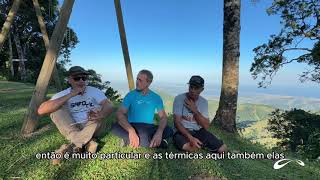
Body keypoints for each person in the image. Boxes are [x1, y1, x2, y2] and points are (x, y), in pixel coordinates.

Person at [37, 66, 113, 163]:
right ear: (69, 80)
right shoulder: (63, 94)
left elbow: (109, 105)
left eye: (84, 78)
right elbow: (41, 110)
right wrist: (72, 94)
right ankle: (88, 142)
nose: (81, 81)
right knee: (55, 110)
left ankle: (69, 148)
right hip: (71, 127)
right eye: (77, 78)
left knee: (99, 109)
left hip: (92, 125)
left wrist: (101, 115)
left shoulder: (94, 91)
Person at [111, 69, 173, 148]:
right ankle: (153, 142)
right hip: (132, 126)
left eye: (140, 80)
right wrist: (131, 131)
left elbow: (163, 117)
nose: (137, 82)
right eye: (137, 79)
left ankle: (129, 140)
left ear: (148, 82)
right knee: (114, 126)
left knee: (168, 130)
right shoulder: (130, 95)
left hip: (148, 128)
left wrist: (159, 132)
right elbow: (120, 113)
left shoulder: (156, 97)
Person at [173, 75, 227, 153]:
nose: (192, 90)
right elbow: (177, 123)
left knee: (223, 149)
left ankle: (205, 142)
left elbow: (206, 125)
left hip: (199, 131)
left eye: (196, 88)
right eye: (191, 87)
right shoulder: (179, 99)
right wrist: (191, 138)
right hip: (182, 132)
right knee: (190, 147)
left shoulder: (203, 102)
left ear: (202, 89)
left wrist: (195, 110)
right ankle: (200, 144)